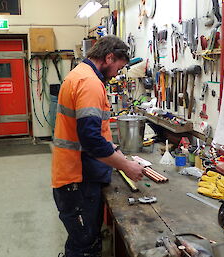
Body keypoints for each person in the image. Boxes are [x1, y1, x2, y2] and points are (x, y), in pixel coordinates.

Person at [51, 35, 144, 257]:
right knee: (85, 246)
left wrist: (114, 151)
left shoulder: (80, 75)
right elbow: (90, 139)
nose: (116, 74)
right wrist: (125, 166)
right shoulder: (90, 83)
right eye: (117, 68)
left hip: (75, 174)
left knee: (81, 240)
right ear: (109, 57)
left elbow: (94, 132)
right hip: (77, 180)